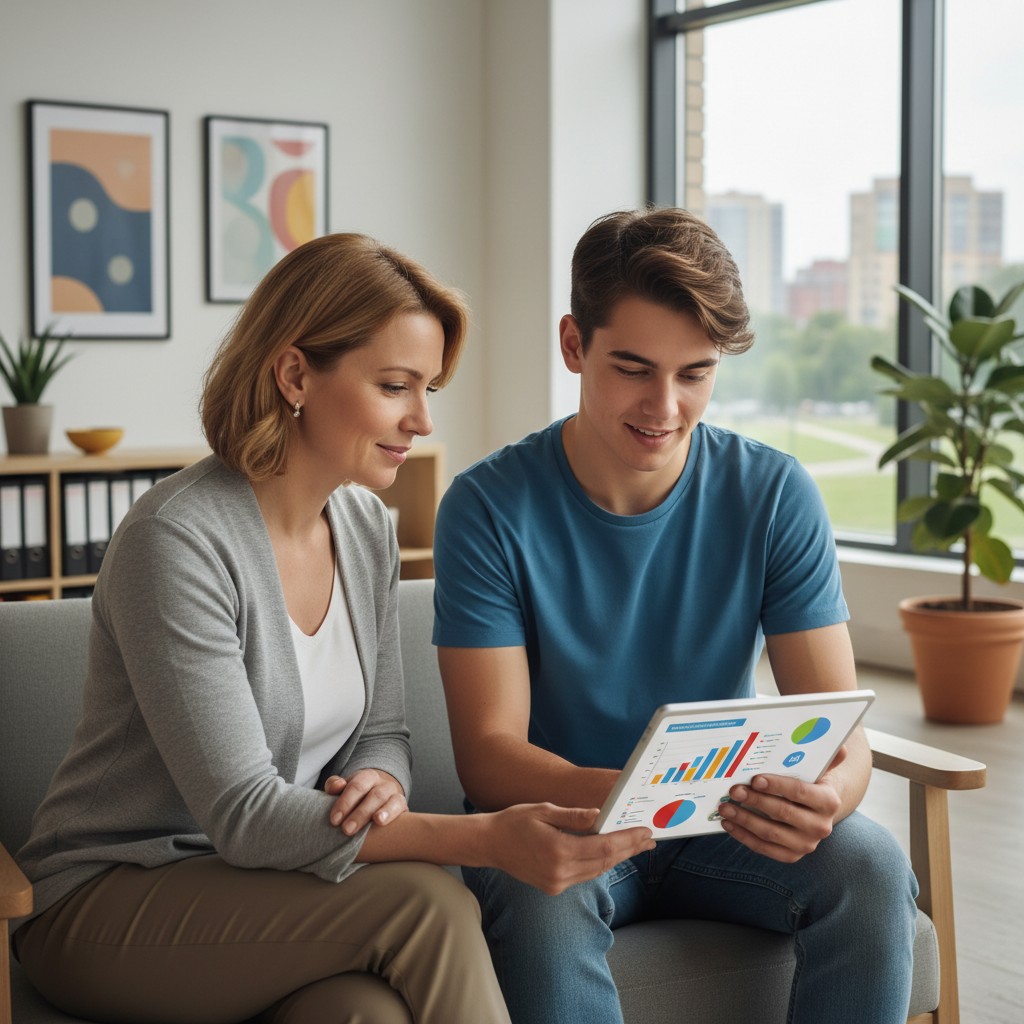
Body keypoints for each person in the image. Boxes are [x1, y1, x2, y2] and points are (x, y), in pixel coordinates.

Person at [13, 233, 654, 1024]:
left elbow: (383, 730)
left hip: (272, 889)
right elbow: (245, 815)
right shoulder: (175, 543)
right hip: (109, 902)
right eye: (395, 386)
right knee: (428, 904)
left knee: (363, 1013)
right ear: (294, 375)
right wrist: (484, 838)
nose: (420, 418)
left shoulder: (364, 526)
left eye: (428, 389)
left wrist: (381, 780)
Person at [432, 207, 920, 1024]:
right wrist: (660, 793)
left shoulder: (772, 493)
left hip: (722, 823)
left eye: (695, 373)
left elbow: (840, 732)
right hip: (571, 821)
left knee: (866, 862)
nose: (665, 405)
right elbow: (489, 759)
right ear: (574, 346)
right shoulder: (486, 506)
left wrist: (830, 798)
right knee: (540, 896)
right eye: (633, 367)